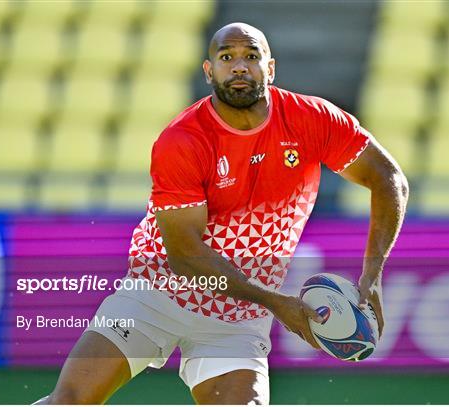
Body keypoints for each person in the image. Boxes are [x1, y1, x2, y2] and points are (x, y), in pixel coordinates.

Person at [38, 22, 408, 405]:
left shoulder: (312, 119)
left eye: (251, 56)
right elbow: (184, 256)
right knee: (70, 401)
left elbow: (389, 179)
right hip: (154, 294)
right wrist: (277, 303)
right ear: (209, 70)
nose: (239, 67)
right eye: (226, 57)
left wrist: (373, 273)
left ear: (271, 67)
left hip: (236, 318)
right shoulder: (182, 140)